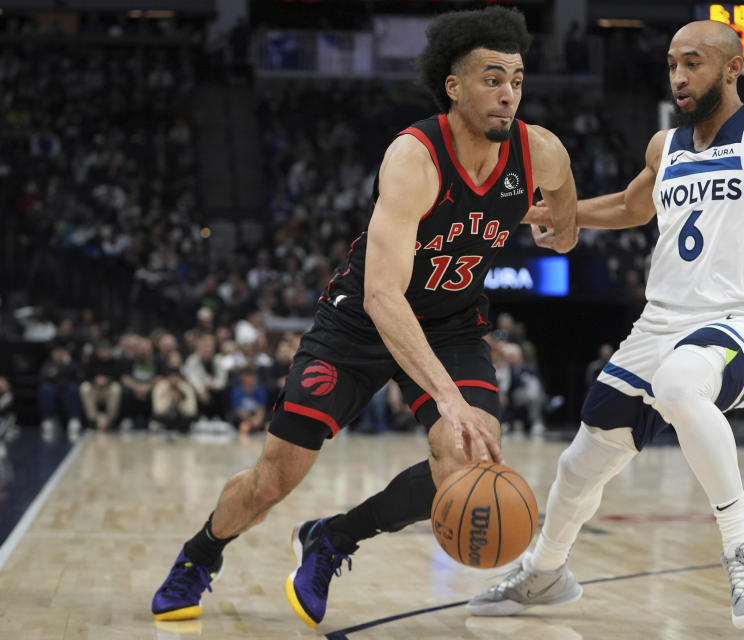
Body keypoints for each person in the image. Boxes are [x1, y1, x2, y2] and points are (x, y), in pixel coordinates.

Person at [467, 19, 744, 629]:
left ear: (732, 68)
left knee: (678, 385)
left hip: (741, 326)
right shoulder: (664, 146)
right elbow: (628, 205)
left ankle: (743, 553)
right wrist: (544, 215)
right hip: (658, 326)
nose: (678, 76)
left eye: (693, 63)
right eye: (672, 64)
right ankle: (545, 573)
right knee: (580, 464)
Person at [151, 6, 578, 627]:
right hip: (363, 321)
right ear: (454, 86)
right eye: (492, 78)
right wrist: (450, 399)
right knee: (276, 478)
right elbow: (383, 297)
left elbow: (563, 228)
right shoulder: (414, 158)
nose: (508, 93)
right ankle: (200, 554)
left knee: (467, 458)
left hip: (452, 323)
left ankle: (332, 538)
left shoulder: (542, 153)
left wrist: (552, 226)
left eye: (515, 78)